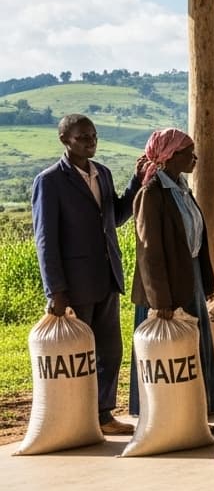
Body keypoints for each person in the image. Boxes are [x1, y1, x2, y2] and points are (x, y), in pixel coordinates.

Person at [32, 114, 142, 435]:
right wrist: (55, 291)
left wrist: (135, 182)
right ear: (64, 140)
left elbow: (116, 216)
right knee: (78, 357)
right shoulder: (50, 181)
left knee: (110, 351)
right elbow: (45, 240)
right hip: (74, 286)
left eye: (93, 136)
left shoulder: (103, 174)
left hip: (107, 277)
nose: (90, 141)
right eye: (82, 137)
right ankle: (76, 416)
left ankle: (103, 415)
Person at [129, 129, 214, 435]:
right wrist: (161, 301)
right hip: (166, 286)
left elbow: (197, 238)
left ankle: (195, 414)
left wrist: (205, 281)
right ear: (169, 157)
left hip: (188, 276)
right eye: (188, 152)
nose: (194, 158)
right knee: (169, 356)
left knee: (191, 350)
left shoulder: (181, 188)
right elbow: (149, 252)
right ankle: (163, 415)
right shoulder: (152, 194)